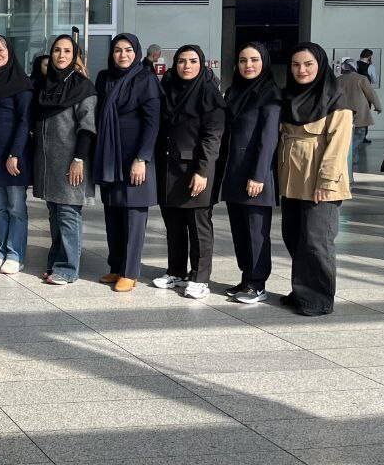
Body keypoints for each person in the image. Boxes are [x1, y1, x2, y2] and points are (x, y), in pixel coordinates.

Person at [279, 43, 353, 316]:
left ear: (320, 66)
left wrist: (326, 181)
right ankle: (302, 292)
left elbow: (338, 146)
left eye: (308, 64)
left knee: (316, 241)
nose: (302, 70)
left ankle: (318, 299)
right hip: (292, 181)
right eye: (296, 65)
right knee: (294, 237)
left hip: (321, 184)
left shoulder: (336, 98)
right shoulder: (289, 97)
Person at [153, 45, 226, 300]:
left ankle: (200, 278)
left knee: (198, 227)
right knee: (173, 225)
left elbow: (212, 136)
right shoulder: (168, 88)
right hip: (168, 168)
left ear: (201, 64)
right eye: (182, 61)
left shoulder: (209, 93)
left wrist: (202, 171)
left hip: (196, 170)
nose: (187, 66)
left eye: (193, 61)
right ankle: (176, 271)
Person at [93, 34, 161, 293]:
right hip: (111, 154)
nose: (123, 55)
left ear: (137, 52)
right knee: (112, 212)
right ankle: (116, 266)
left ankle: (130, 272)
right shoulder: (104, 77)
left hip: (135, 157)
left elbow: (152, 122)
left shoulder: (146, 79)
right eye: (118, 50)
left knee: (133, 215)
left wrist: (142, 158)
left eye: (128, 50)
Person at [217, 43, 281, 304]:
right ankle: (246, 278)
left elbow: (268, 139)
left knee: (256, 232)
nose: (248, 65)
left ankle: (257, 283)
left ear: (264, 62)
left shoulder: (270, 94)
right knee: (240, 231)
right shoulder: (235, 91)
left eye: (254, 59)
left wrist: (259, 176)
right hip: (234, 171)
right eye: (243, 60)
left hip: (256, 175)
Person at [32, 35, 96, 285]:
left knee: (68, 214)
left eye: (67, 51)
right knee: (55, 214)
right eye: (57, 50)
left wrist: (79, 158)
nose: (61, 55)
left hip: (71, 161)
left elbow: (87, 127)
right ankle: (55, 262)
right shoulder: (47, 84)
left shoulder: (83, 87)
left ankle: (68, 269)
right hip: (49, 162)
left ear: (74, 55)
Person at [0, 35, 34, 275]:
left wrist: (15, 153)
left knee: (16, 208)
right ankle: (0, 251)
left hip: (13, 155)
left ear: (9, 51)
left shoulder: (22, 83)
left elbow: (24, 121)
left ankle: (15, 254)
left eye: (0, 50)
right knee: (0, 208)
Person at [336, 58, 382, 183]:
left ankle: (352, 160)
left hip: (343, 114)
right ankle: (347, 156)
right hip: (359, 114)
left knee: (348, 137)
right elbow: (371, 94)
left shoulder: (338, 80)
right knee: (359, 136)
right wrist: (378, 106)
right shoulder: (361, 79)